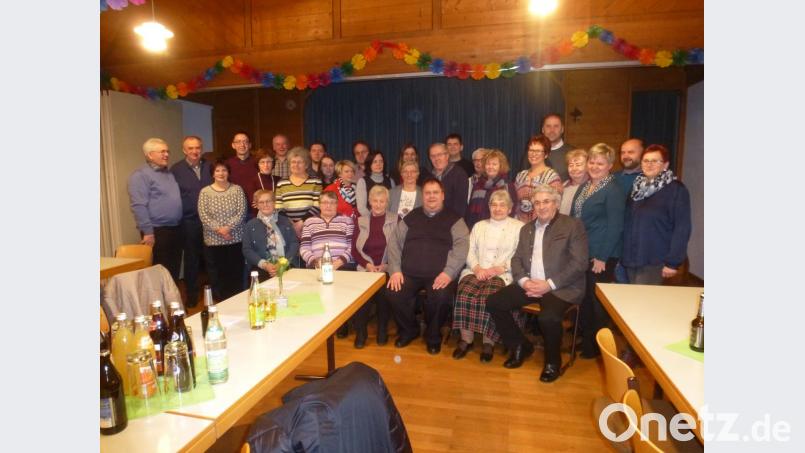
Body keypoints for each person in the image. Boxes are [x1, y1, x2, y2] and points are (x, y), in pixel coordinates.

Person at [486, 185, 588, 383]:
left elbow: (579, 263)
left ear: (556, 203)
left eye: (546, 201)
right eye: (537, 202)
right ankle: (520, 346)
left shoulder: (572, 225)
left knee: (548, 318)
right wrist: (524, 282)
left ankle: (552, 362)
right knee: (494, 302)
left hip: (562, 288)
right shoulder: (527, 229)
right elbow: (516, 260)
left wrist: (548, 285)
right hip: (530, 285)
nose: (541, 206)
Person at [385, 178, 470, 354]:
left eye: (435, 192)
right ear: (422, 196)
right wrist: (395, 270)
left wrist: (448, 273)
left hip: (439, 274)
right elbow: (394, 243)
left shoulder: (455, 220)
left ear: (443, 195)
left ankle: (433, 336)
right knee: (393, 292)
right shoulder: (411, 217)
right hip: (408, 273)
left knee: (441, 296)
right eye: (427, 193)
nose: (431, 196)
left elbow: (462, 248)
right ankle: (410, 330)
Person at [451, 190, 524, 363]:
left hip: (502, 273)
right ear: (489, 206)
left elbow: (519, 254)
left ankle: (488, 341)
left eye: (502, 205)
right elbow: (469, 250)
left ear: (510, 208)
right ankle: (466, 339)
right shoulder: (479, 226)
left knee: (489, 297)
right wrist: (476, 268)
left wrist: (501, 267)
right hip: (476, 270)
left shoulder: (519, 227)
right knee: (465, 293)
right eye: (494, 204)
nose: (498, 209)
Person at [570, 142, 626, 358]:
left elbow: (615, 226)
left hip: (601, 255)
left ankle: (599, 348)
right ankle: (586, 341)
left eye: (600, 163)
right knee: (584, 299)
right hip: (583, 252)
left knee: (597, 302)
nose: (594, 166)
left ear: (610, 165)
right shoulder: (586, 186)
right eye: (592, 161)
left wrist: (602, 257)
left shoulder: (613, 190)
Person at [621, 144, 692, 284]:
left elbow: (682, 228)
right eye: (646, 161)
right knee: (631, 302)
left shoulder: (676, 189)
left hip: (655, 261)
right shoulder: (637, 188)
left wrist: (672, 262)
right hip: (632, 258)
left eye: (655, 161)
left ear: (665, 164)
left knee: (644, 303)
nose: (649, 164)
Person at [128, 137, 183, 281]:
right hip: (157, 231)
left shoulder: (168, 173)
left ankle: (172, 302)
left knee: (173, 271)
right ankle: (160, 303)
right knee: (159, 273)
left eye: (167, 151)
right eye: (162, 152)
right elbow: (138, 205)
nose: (166, 154)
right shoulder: (140, 175)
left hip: (175, 229)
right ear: (149, 155)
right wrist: (147, 232)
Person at [351, 185, 397, 348]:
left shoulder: (395, 219)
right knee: (362, 295)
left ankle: (382, 329)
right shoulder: (361, 221)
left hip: (387, 268)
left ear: (387, 202)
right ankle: (361, 332)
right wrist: (368, 265)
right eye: (375, 201)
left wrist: (387, 265)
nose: (378, 205)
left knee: (385, 293)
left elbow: (400, 247)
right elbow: (354, 250)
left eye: (382, 201)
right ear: (369, 201)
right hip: (366, 268)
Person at [170, 136, 213, 306]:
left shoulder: (210, 166)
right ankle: (192, 296)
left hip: (210, 221)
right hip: (189, 221)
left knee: (211, 258)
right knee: (192, 259)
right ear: (184, 150)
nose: (195, 151)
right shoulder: (176, 170)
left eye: (197, 148)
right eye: (191, 148)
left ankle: (214, 293)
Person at [198, 159, 247, 300]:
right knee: (217, 275)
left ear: (228, 173)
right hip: (213, 242)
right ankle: (220, 302)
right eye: (217, 170)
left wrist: (228, 229)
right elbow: (203, 215)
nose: (221, 173)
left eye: (224, 170)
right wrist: (220, 230)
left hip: (235, 240)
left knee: (235, 273)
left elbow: (241, 212)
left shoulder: (237, 189)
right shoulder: (205, 192)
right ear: (213, 173)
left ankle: (237, 300)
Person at [242, 189, 299, 282]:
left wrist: (282, 263)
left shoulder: (285, 221)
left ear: (274, 203)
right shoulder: (250, 225)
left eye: (268, 201)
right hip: (261, 268)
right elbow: (247, 249)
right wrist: (265, 265)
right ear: (257, 205)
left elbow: (294, 243)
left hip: (287, 264)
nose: (265, 204)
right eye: (261, 202)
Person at [274, 147, 323, 240]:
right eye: (293, 162)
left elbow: (317, 206)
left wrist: (300, 223)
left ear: (306, 164)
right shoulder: (281, 183)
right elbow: (278, 208)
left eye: (300, 162)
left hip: (311, 228)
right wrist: (292, 225)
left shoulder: (316, 181)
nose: (296, 165)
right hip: (288, 229)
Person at [298, 191, 355, 270]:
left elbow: (353, 247)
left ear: (337, 205)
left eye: (332, 203)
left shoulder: (347, 221)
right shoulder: (309, 222)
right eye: (325, 202)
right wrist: (316, 262)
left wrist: (338, 262)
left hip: (343, 266)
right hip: (317, 267)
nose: (328, 206)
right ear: (319, 205)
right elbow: (304, 248)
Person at [465, 149, 517, 229]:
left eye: (494, 164)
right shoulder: (477, 185)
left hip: (500, 230)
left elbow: (512, 211)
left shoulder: (507, 186)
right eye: (488, 164)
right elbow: (470, 211)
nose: (490, 167)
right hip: (478, 229)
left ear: (501, 166)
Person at [515, 135, 563, 223]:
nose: (533, 154)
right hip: (521, 226)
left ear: (546, 154)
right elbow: (516, 203)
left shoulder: (552, 177)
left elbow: (556, 206)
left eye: (538, 151)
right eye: (531, 150)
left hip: (543, 226)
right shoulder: (520, 176)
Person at [519, 114, 575, 181]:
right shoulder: (531, 154)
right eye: (548, 126)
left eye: (556, 126)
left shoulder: (573, 153)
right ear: (542, 130)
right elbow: (522, 181)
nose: (552, 130)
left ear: (562, 129)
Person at [429, 143, 469, 217]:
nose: (436, 158)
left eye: (439, 155)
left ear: (447, 156)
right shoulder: (429, 177)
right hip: (433, 222)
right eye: (433, 156)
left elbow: (460, 206)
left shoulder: (459, 174)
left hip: (452, 222)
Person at [356, 150, 395, 218]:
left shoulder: (390, 181)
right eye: (375, 161)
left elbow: (392, 205)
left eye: (381, 161)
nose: (378, 164)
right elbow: (361, 208)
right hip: (369, 220)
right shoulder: (362, 182)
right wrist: (374, 220)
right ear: (369, 164)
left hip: (388, 221)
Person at [225, 132, 258, 206]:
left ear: (250, 145)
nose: (242, 145)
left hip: (255, 206)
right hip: (234, 206)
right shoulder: (227, 164)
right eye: (238, 142)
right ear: (233, 145)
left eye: (245, 142)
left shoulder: (258, 162)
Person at [246, 148, 280, 217]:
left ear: (273, 163)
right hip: (259, 219)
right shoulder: (252, 182)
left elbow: (282, 202)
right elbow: (254, 206)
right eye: (262, 162)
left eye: (269, 162)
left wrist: (262, 203)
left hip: (278, 217)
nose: (266, 165)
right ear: (258, 164)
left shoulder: (279, 180)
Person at [558, 149, 589, 215]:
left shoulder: (593, 187)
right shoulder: (563, 186)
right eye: (571, 165)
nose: (574, 168)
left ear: (587, 167)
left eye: (578, 165)